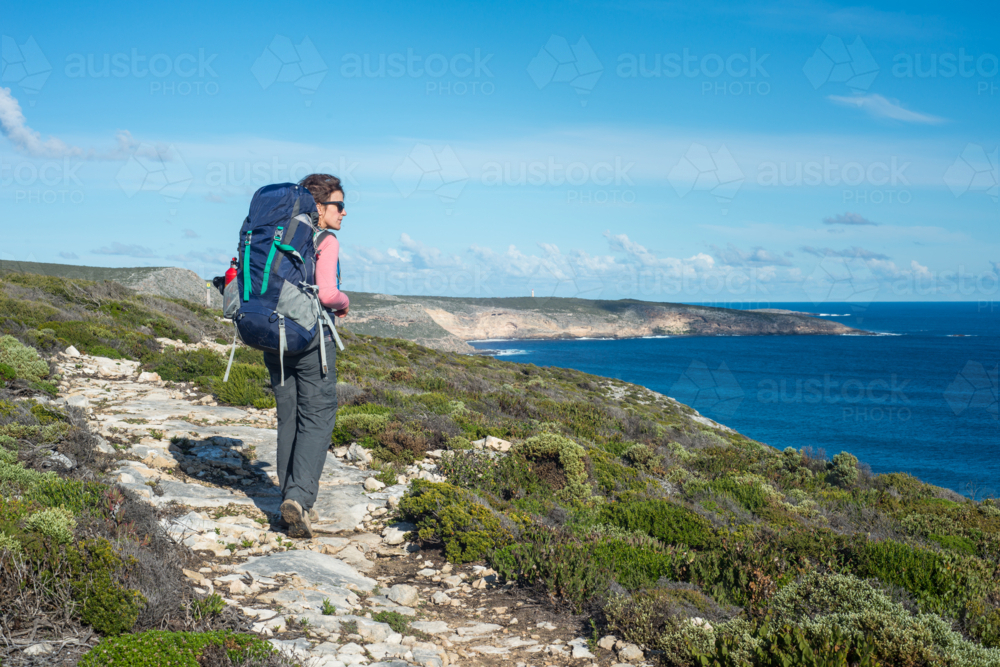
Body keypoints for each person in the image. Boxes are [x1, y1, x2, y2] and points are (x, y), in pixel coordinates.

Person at [265, 173, 349, 538]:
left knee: (289, 418)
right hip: (311, 337)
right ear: (319, 206)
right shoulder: (324, 240)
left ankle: (288, 498)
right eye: (339, 206)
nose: (344, 213)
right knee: (317, 416)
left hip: (273, 335)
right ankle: (299, 500)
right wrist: (345, 304)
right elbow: (328, 294)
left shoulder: (275, 232)